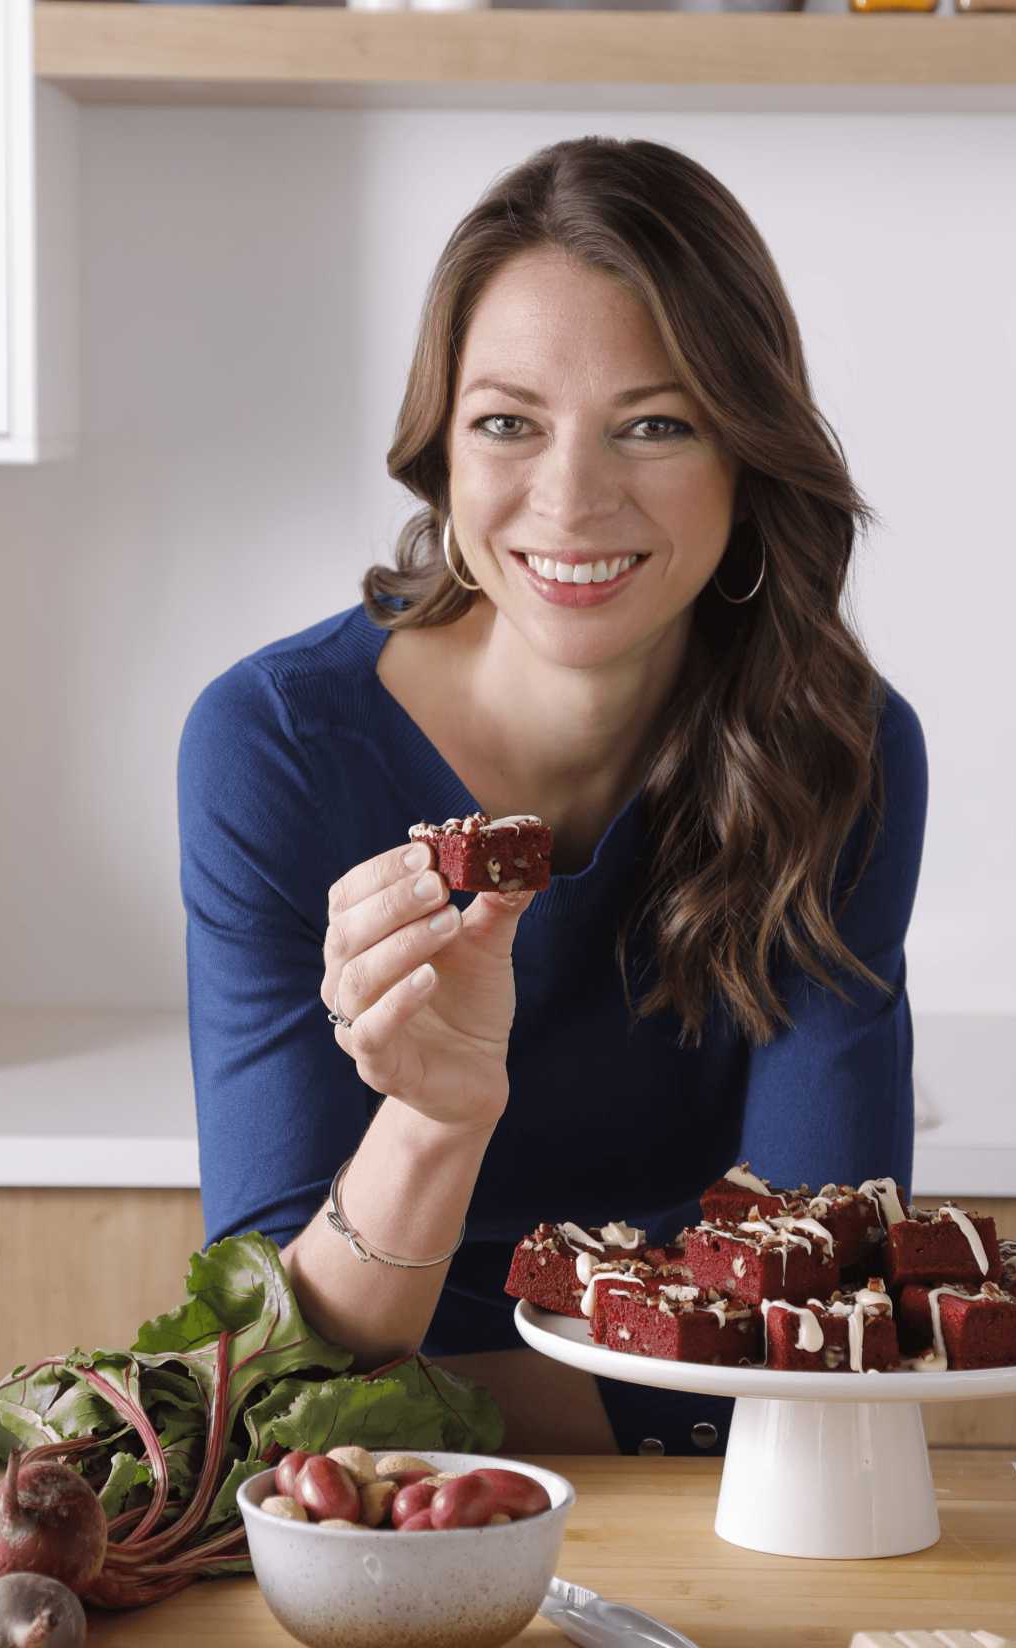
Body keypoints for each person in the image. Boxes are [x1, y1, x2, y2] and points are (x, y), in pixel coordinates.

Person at [178, 136, 927, 1458]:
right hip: (401, 1509)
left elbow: (817, 1304)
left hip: (714, 1486)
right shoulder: (276, 748)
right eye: (508, 423)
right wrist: (437, 1111)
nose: (571, 500)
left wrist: (409, 1394)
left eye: (654, 424)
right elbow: (271, 1355)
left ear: (746, 454)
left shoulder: (840, 753)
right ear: (442, 452)